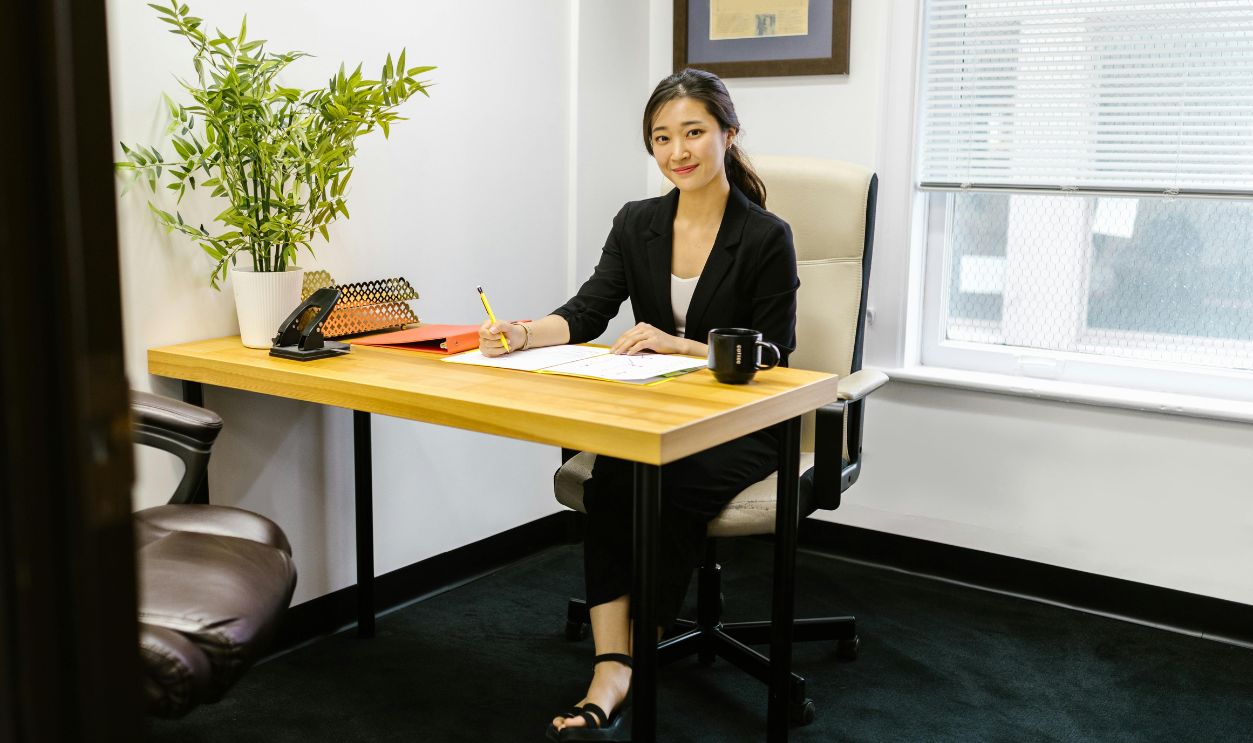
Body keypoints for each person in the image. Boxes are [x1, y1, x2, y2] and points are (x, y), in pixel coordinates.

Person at [478, 68, 799, 741]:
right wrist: (521, 332)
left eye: (692, 132)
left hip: (744, 421)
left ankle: (639, 639)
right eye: (661, 137)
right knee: (615, 478)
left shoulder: (766, 235)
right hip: (657, 414)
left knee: (670, 485)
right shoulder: (638, 223)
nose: (677, 150)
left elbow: (775, 352)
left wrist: (680, 346)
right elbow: (588, 309)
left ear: (727, 134)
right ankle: (613, 664)